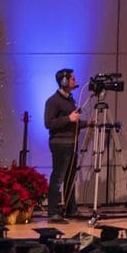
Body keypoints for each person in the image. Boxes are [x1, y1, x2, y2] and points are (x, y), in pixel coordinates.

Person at [44, 68, 83, 219]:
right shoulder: (53, 101)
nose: (75, 80)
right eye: (72, 78)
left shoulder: (70, 100)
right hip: (60, 144)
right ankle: (52, 211)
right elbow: (49, 123)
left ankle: (70, 209)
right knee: (58, 178)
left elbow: (73, 122)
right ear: (64, 81)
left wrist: (89, 123)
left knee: (70, 178)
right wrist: (69, 119)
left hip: (71, 144)